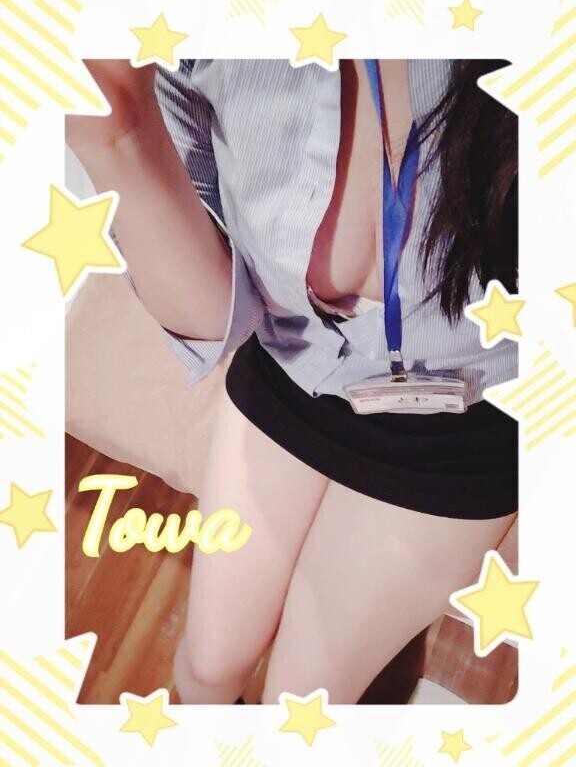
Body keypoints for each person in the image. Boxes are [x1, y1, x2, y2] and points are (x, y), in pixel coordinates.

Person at [66, 58, 519, 705]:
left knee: (304, 701)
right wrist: (118, 134)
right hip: (291, 361)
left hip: (459, 428)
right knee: (207, 667)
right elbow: (213, 318)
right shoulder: (204, 39)